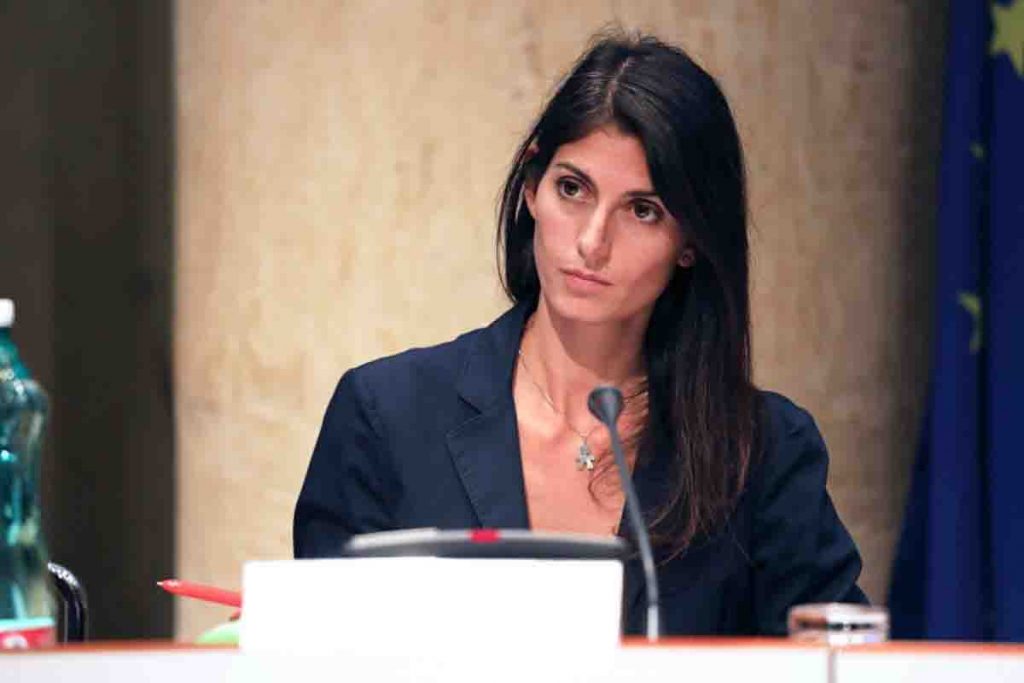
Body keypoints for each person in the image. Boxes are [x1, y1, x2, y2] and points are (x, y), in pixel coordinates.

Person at [294, 32, 867, 636]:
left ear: (690, 242)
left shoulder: (763, 452)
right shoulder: (386, 416)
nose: (593, 242)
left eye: (642, 210)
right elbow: (319, 651)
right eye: (573, 189)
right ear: (531, 187)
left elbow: (841, 661)